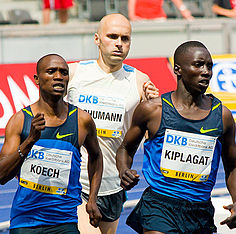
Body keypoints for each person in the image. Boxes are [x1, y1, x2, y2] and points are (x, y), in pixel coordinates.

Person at [116, 41, 236, 233]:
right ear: (178, 69)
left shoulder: (222, 116)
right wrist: (124, 169)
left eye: (209, 66)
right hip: (159, 206)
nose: (206, 71)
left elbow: (232, 166)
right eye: (198, 65)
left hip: (200, 211)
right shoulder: (153, 110)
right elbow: (126, 148)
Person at [66, 13, 159, 234]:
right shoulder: (74, 73)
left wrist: (153, 106)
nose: (119, 43)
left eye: (125, 38)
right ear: (97, 39)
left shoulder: (140, 81)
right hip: (76, 182)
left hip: (113, 185)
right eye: (112, 36)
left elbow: (151, 138)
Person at [0, 54, 103, 233]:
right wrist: (29, 141)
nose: (59, 77)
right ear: (37, 79)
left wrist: (92, 198)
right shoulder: (20, 121)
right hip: (25, 221)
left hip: (65, 221)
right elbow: (1, 176)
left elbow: (96, 156)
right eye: (51, 71)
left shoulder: (82, 120)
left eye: (64, 72)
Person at [128, 0, 194, 21]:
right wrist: (132, 15)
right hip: (140, 19)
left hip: (158, 18)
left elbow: (177, 1)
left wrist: (184, 11)